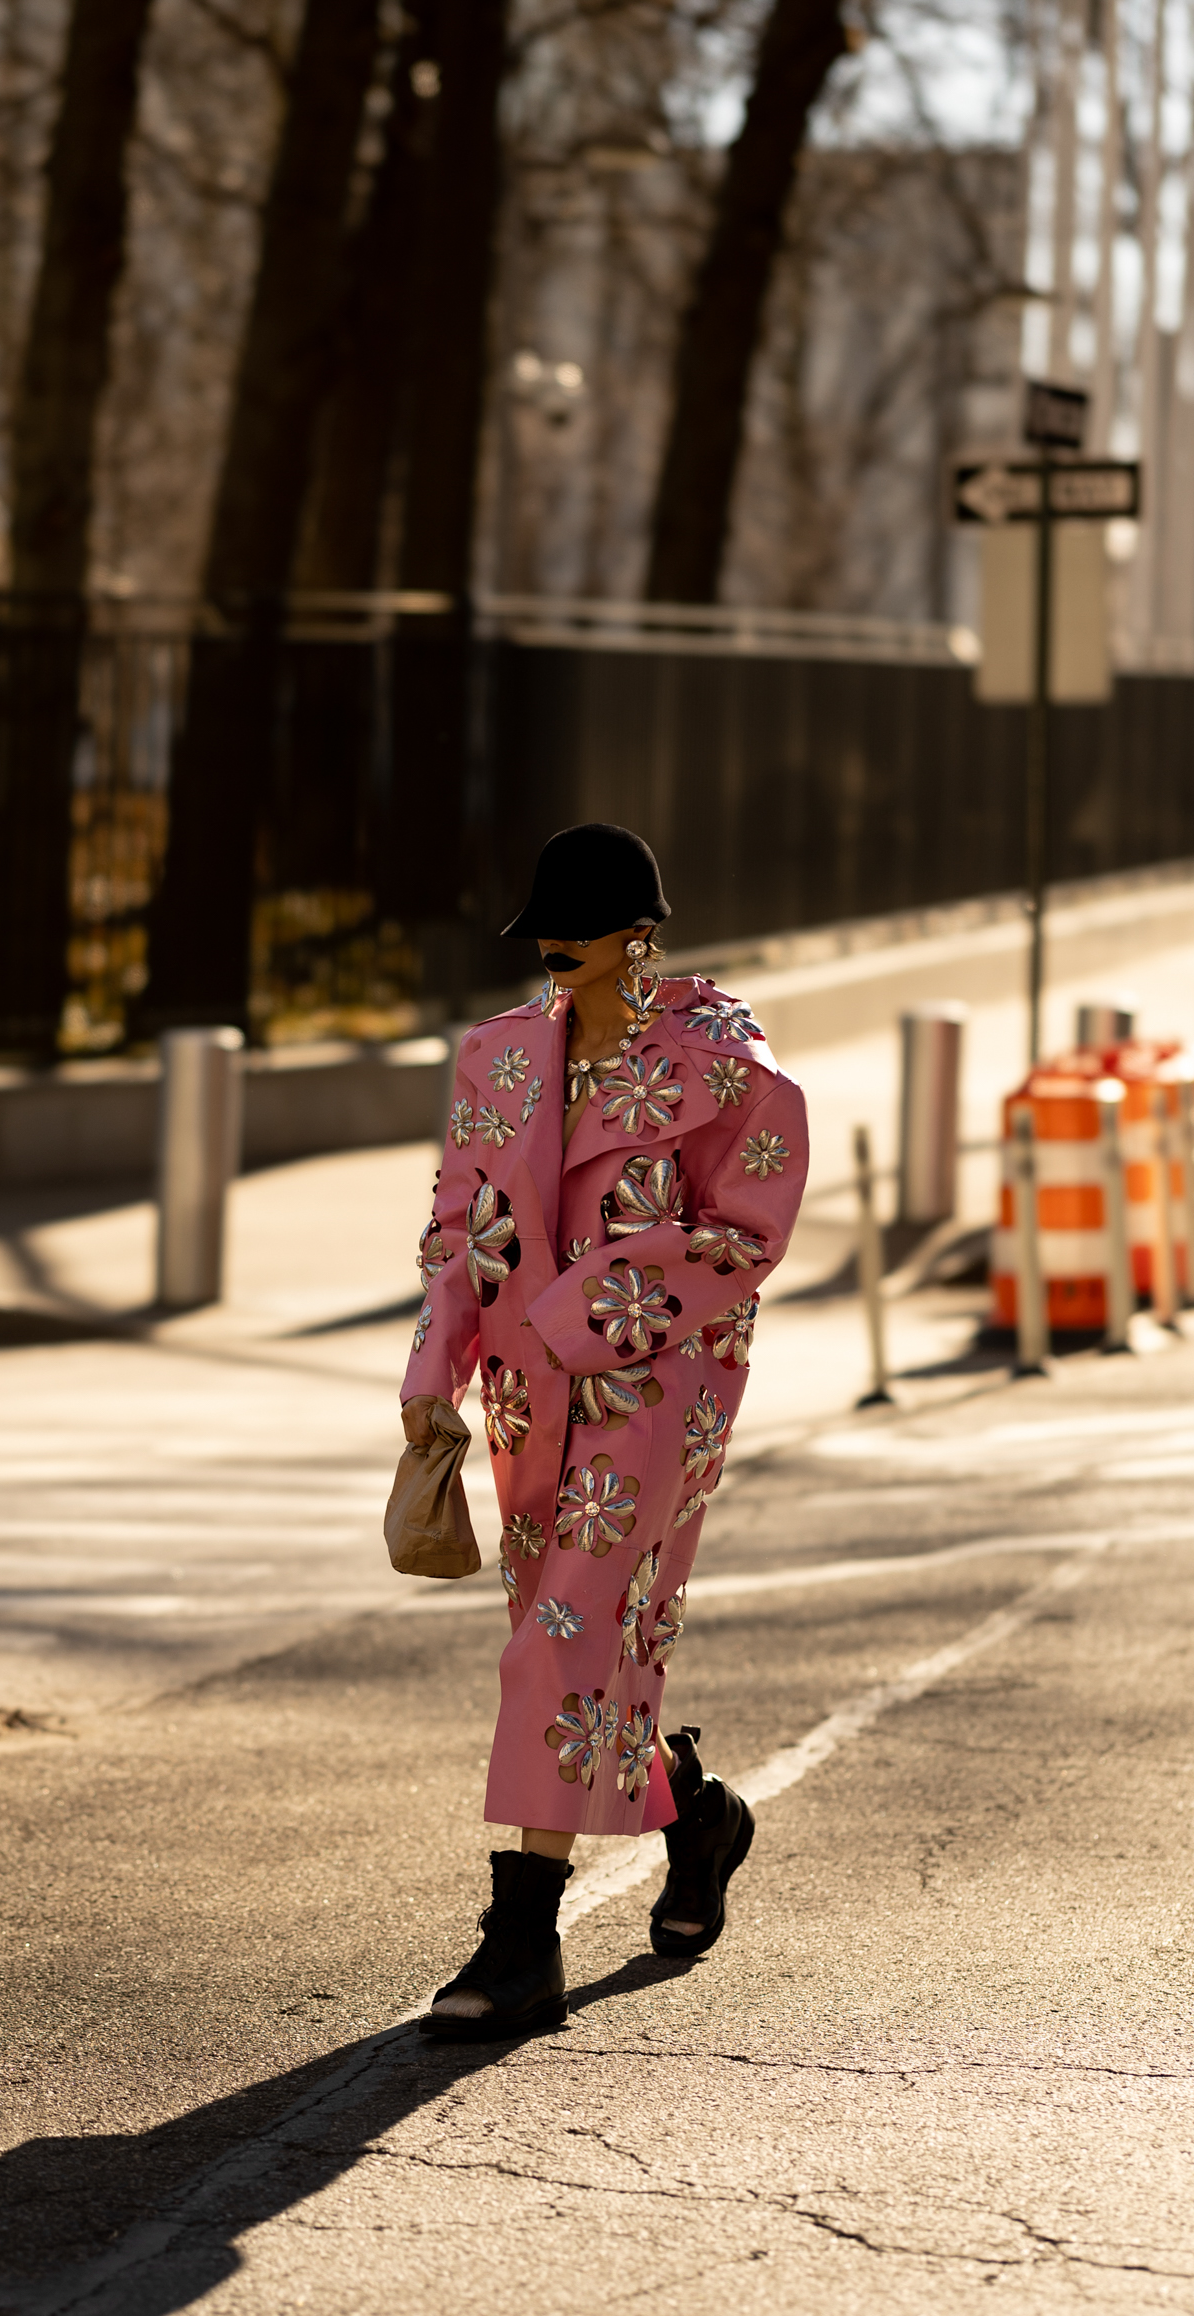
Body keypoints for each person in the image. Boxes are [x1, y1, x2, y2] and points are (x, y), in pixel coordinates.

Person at [401, 821, 809, 2042]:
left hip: (656, 1385)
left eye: (577, 927)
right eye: (543, 929)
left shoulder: (723, 1063)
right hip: (525, 1393)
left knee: (561, 1637)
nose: (553, 947)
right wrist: (437, 1363)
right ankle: (696, 1813)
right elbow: (457, 1221)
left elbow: (749, 1227)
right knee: (566, 1633)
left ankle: (520, 1936)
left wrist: (588, 1306)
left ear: (641, 933)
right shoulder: (499, 1056)